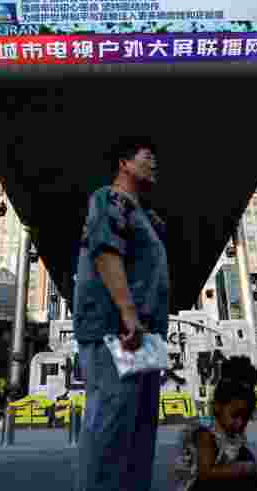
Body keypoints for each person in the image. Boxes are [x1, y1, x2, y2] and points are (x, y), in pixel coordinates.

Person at [74, 136, 168, 491]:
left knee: (139, 432)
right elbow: (104, 250)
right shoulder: (109, 198)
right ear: (124, 163)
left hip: (145, 335)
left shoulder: (145, 216)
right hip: (117, 330)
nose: (154, 162)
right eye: (148, 156)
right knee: (111, 430)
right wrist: (128, 314)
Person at [174, 356, 257, 491]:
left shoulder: (232, 434)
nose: (240, 423)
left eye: (246, 417)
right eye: (235, 415)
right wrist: (244, 469)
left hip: (218, 482)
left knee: (245, 456)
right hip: (197, 486)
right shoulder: (205, 434)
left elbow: (241, 457)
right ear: (217, 407)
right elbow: (205, 473)